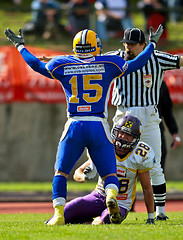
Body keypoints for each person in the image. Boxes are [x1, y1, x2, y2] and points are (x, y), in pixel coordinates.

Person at [4, 25, 163, 225]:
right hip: (97, 124)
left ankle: (59, 214)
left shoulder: (62, 64)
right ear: (96, 46)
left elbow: (36, 65)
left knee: (61, 172)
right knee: (109, 172)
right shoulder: (109, 63)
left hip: (75, 124)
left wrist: (20, 46)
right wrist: (152, 44)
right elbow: (138, 63)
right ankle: (111, 196)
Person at [110, 27, 183, 220]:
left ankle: (160, 212)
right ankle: (110, 203)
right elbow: (89, 61)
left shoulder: (156, 57)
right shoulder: (116, 57)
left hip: (148, 116)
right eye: (125, 43)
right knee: (114, 163)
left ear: (144, 44)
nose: (127, 47)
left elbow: (180, 60)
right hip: (123, 115)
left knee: (155, 164)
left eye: (132, 44)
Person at [64, 115, 155, 225]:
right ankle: (86, 220)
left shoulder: (139, 155)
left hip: (121, 203)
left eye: (128, 134)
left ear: (135, 138)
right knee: (68, 210)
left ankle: (95, 220)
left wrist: (151, 217)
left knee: (107, 218)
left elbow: (146, 188)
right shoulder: (106, 147)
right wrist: (84, 176)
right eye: (120, 132)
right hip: (99, 196)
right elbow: (77, 173)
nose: (122, 136)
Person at [158, 80, 181, 172]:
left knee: (160, 157)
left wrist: (174, 132)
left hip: (156, 127)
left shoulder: (160, 84)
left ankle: (156, 186)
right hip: (134, 128)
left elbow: (167, 111)